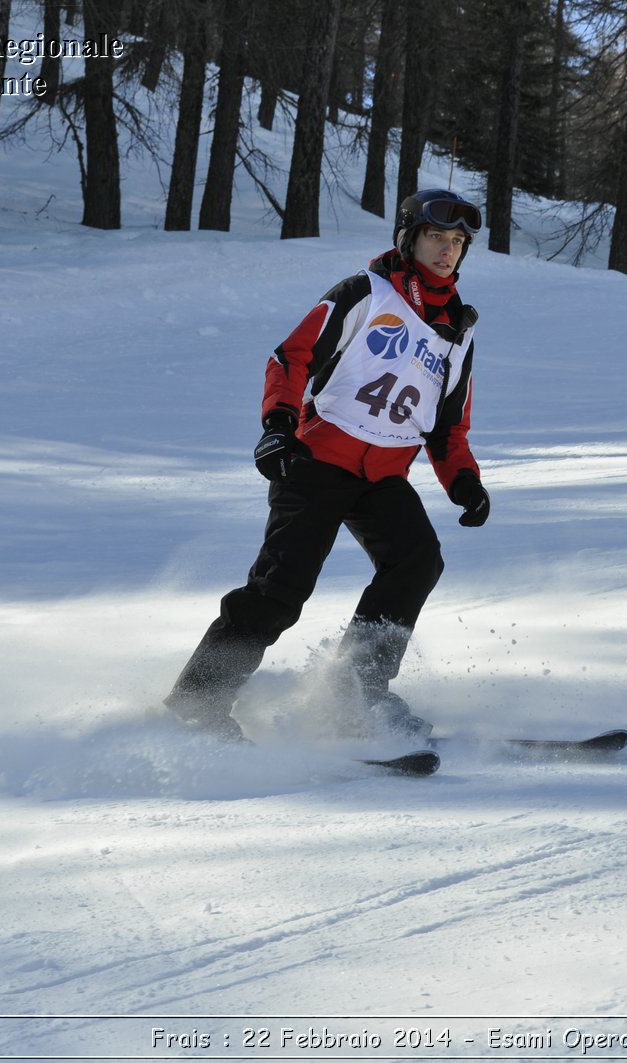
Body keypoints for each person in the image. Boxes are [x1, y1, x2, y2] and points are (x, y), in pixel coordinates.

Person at [163, 189, 491, 743]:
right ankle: (199, 699)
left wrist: (464, 481)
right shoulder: (366, 293)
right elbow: (291, 356)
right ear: (410, 238)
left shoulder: (459, 332)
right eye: (437, 236)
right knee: (280, 588)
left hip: (383, 475)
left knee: (417, 561)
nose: (447, 249)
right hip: (316, 460)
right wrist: (277, 427)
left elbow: (447, 425)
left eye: (458, 242)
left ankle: (355, 695)